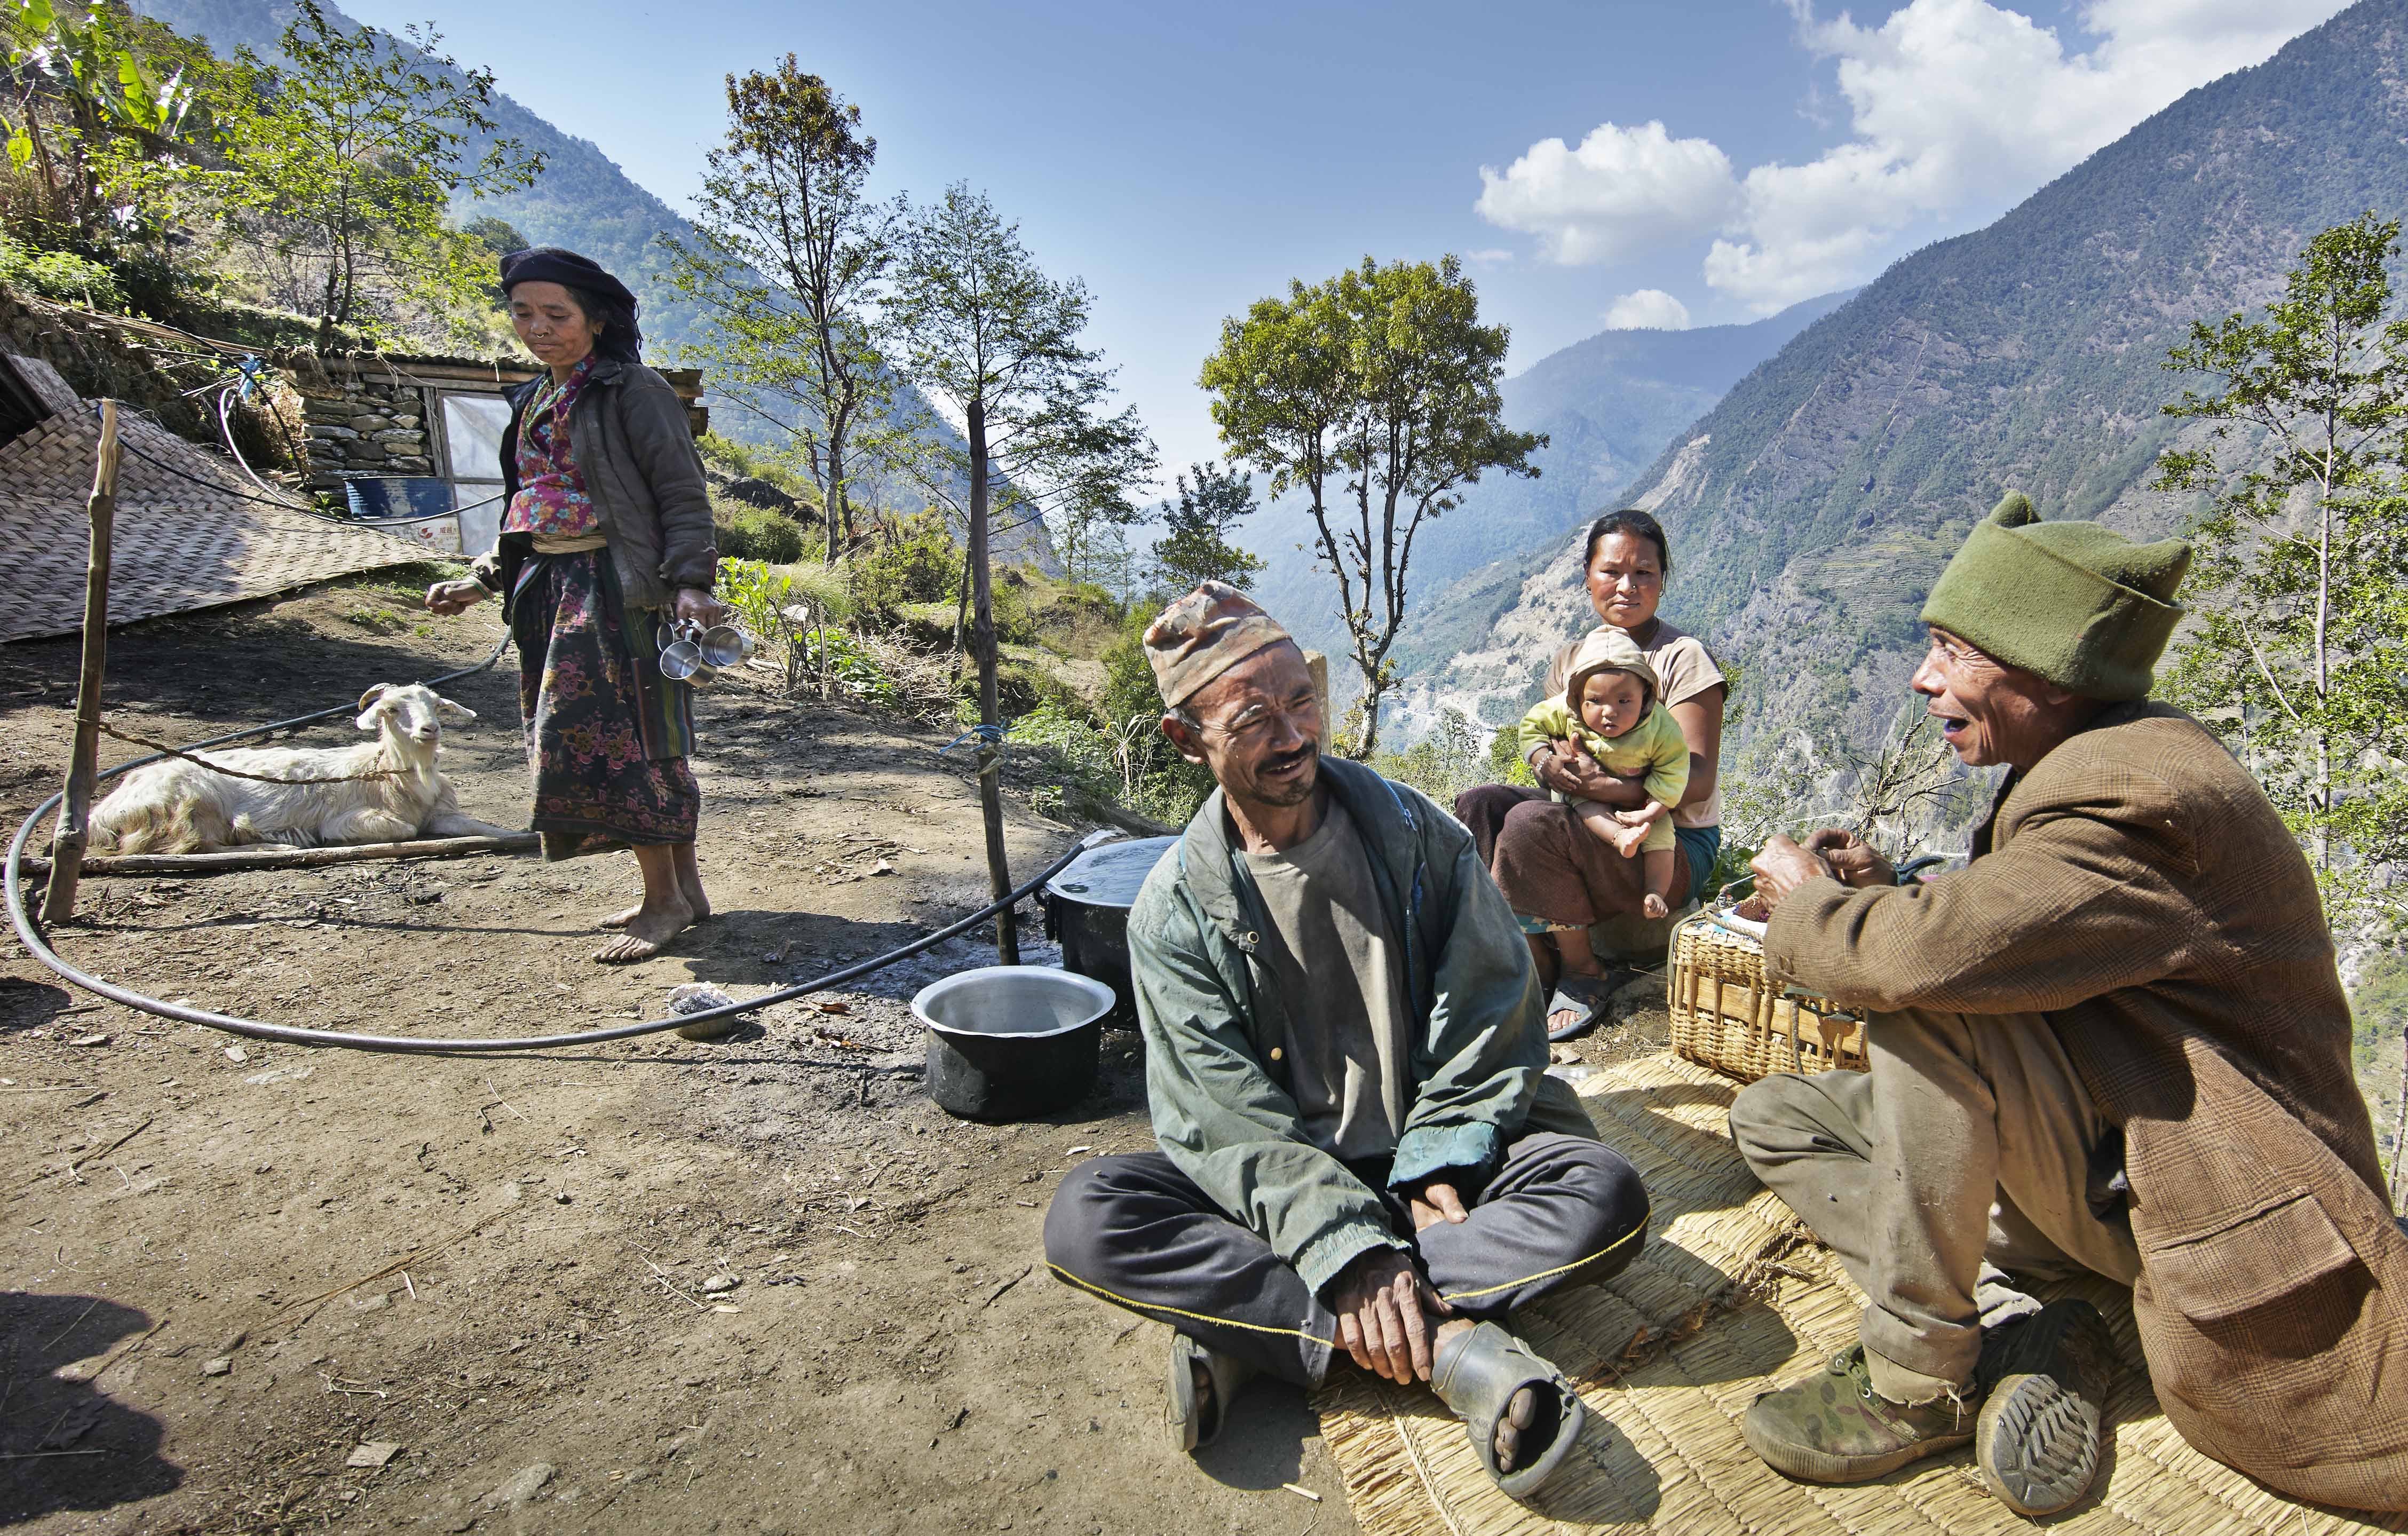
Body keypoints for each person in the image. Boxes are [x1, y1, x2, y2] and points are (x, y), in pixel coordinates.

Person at [1728, 493, 2408, 1516]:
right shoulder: (2103, 753)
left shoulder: (2139, 801)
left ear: (2046, 670)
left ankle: (1919, 1372)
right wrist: (1877, 894)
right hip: (2093, 1137)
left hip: (2179, 1191)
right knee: (1776, 1113)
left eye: (1951, 651)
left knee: (1919, 999)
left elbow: (1931, 959)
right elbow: (2026, 924)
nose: (1923, 678)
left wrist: (1812, 906)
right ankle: (2021, 1317)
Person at [1043, 582, 1650, 1503]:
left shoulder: (1414, 834)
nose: (1291, 735)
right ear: (1184, 740)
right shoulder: (1174, 911)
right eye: (1251, 719)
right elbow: (1222, 1117)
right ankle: (1448, 1348)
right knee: (1089, 1213)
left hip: (1439, 1168)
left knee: (1603, 1193)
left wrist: (1431, 1157)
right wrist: (1344, 1246)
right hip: (1285, 1183)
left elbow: (1493, 1004)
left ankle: (1265, 1329)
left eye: (1300, 701)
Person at [424, 247, 724, 964]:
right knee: (631, 740)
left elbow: (682, 493)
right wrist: (484, 578)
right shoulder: (534, 400)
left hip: (621, 593)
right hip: (554, 594)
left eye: (557, 314)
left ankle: (664, 904)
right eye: (525, 313)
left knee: (633, 743)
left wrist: (692, 581)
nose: (539, 328)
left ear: (595, 317)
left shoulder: (633, 391)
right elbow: (529, 508)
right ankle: (684, 889)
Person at [1456, 508, 1726, 1039]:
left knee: (1533, 823)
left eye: (1644, 572)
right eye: (1611, 571)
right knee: (1480, 805)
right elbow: (1560, 764)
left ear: (1662, 581)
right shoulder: (1571, 662)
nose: (1627, 586)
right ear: (1587, 578)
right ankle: (1530, 958)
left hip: (1670, 843)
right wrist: (1544, 762)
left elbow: (1697, 781)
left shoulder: (1682, 659)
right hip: (1591, 822)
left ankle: (1584, 972)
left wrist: (1608, 787)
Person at [1511, 627, 1687, 920]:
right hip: (1583, 794)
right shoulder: (1565, 710)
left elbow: (1674, 767)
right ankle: (1620, 838)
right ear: (1578, 695)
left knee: (1661, 836)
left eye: (1623, 701)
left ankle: (1655, 892)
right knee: (1587, 805)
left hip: (1640, 806)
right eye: (1594, 701)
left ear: (1644, 695)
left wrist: (1653, 809)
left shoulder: (1660, 727)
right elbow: (1532, 725)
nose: (1609, 712)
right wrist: (1543, 759)